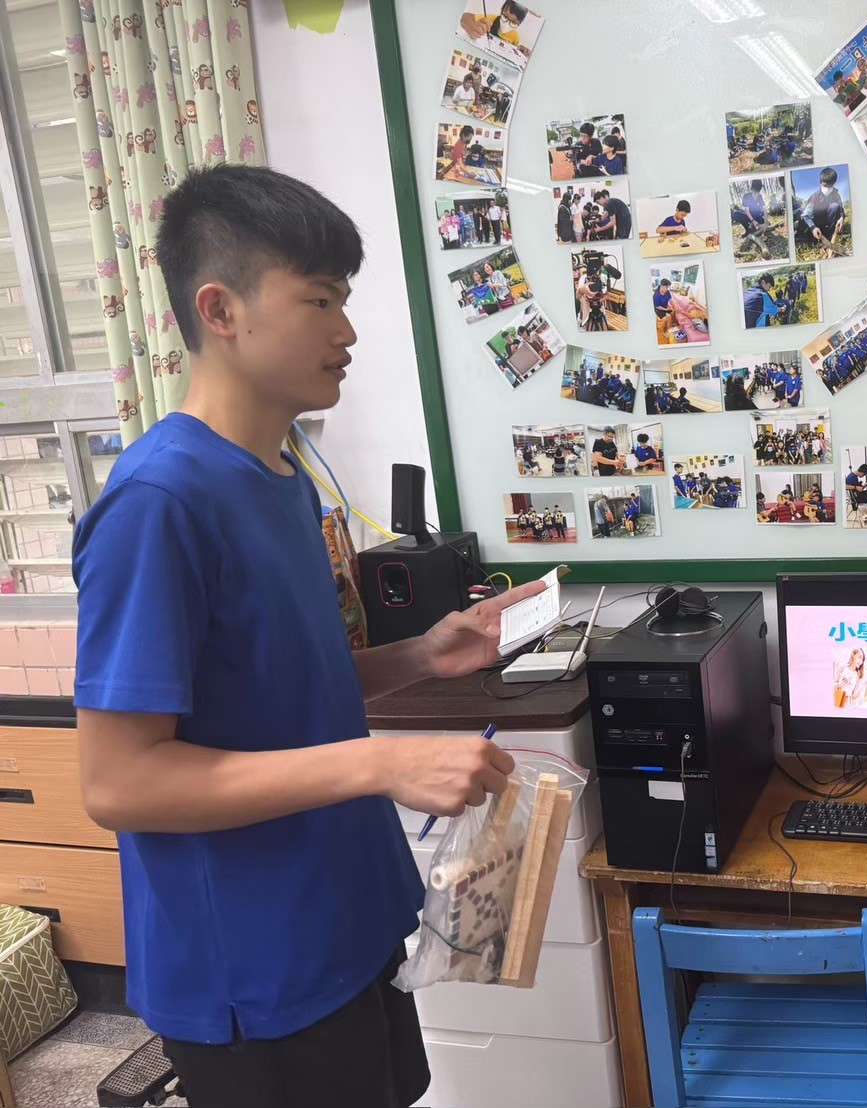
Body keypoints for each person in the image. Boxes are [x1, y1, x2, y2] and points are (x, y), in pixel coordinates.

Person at [70, 165, 553, 1108]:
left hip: (349, 921)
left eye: (345, 299)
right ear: (221, 310)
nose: (347, 331)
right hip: (258, 971)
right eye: (320, 299)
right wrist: (380, 763)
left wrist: (424, 656)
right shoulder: (159, 503)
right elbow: (119, 782)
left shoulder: (281, 475)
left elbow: (272, 690)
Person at [800, 167, 846, 254]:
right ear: (820, 182)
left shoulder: (836, 195)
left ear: (834, 184)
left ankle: (830, 235)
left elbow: (841, 209)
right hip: (816, 223)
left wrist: (841, 218)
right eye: (825, 186)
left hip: (829, 223)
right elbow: (806, 216)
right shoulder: (815, 196)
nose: (827, 189)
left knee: (835, 206)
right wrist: (813, 228)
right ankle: (816, 236)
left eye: (830, 186)